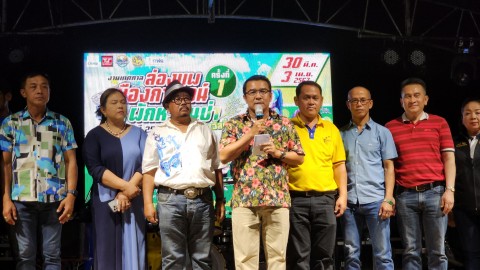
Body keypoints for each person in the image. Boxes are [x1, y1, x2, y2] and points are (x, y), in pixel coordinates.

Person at [219, 75, 304, 270]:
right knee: (245, 260)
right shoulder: (234, 124)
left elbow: (299, 157)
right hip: (244, 200)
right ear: (244, 97)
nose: (258, 96)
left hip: (278, 199)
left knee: (278, 258)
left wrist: (278, 152)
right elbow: (223, 156)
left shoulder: (284, 123)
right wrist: (250, 134)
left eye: (263, 91)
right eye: (252, 92)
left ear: (270, 95)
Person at [142, 80, 225, 269]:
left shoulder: (205, 129)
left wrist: (220, 199)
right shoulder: (157, 133)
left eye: (187, 99)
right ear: (167, 106)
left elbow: (216, 166)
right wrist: (148, 203)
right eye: (177, 99)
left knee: (202, 258)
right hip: (170, 200)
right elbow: (149, 171)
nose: (183, 103)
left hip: (203, 200)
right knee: (172, 259)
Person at [0, 72, 78, 269]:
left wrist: (71, 195)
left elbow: (71, 161)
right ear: (23, 92)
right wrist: (6, 198)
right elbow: (6, 165)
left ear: (50, 92)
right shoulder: (11, 123)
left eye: (44, 86)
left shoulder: (62, 122)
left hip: (54, 200)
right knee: (25, 257)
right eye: (33, 86)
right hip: (21, 200)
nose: (40, 90)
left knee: (52, 256)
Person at [385, 77, 455, 269]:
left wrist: (450, 190)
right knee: (410, 251)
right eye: (407, 96)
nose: (412, 99)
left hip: (436, 193)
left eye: (417, 95)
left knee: (438, 251)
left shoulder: (440, 123)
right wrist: (389, 197)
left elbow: (449, 159)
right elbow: (388, 166)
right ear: (401, 101)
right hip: (405, 195)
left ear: (426, 99)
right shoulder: (390, 127)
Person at [83, 88, 146, 270]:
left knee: (136, 247)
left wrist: (126, 193)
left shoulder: (140, 134)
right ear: (102, 110)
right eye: (114, 102)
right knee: (106, 252)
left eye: (123, 102)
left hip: (135, 200)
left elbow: (147, 165)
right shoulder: (94, 136)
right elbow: (95, 168)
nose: (120, 105)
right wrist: (125, 188)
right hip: (105, 203)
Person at [286, 80, 347, 270]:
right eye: (306, 98)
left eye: (315, 98)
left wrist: (343, 196)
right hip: (295, 200)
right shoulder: (287, 127)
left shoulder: (331, 129)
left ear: (321, 101)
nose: (311, 102)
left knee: (325, 256)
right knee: (298, 256)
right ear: (296, 100)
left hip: (326, 199)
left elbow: (339, 166)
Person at [340, 86, 397, 270]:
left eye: (363, 100)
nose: (359, 104)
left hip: (375, 201)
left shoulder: (382, 132)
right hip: (349, 202)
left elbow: (389, 167)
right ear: (348, 105)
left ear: (370, 103)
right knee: (351, 254)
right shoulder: (340, 134)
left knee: (383, 254)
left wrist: (388, 198)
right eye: (354, 100)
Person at [452, 96, 480, 270]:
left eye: (478, 113)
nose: (473, 117)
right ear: (462, 118)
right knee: (471, 254)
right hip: (464, 210)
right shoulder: (454, 143)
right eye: (468, 113)